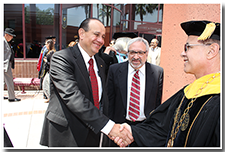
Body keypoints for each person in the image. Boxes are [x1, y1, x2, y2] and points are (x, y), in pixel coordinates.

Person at [113, 20, 220, 147]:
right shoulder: (190, 91)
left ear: (211, 51)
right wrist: (132, 131)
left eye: (188, 47)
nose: (182, 54)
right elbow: (161, 128)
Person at [40, 18, 133, 147]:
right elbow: (73, 97)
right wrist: (110, 127)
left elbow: (102, 100)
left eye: (103, 36)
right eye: (96, 34)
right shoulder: (62, 58)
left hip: (93, 132)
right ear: (82, 33)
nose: (101, 40)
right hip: (67, 134)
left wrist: (110, 130)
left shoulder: (100, 62)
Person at [107, 37, 164, 146]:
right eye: (132, 52)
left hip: (145, 128)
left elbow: (157, 103)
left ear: (146, 54)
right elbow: (110, 101)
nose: (136, 56)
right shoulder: (114, 70)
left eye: (140, 53)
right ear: (127, 53)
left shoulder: (157, 72)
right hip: (120, 127)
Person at [3, 28, 21, 102]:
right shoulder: (3, 42)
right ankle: (11, 97)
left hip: (6, 64)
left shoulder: (5, 42)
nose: (12, 38)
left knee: (3, 82)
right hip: (5, 64)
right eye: (11, 36)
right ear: (6, 35)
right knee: (9, 81)